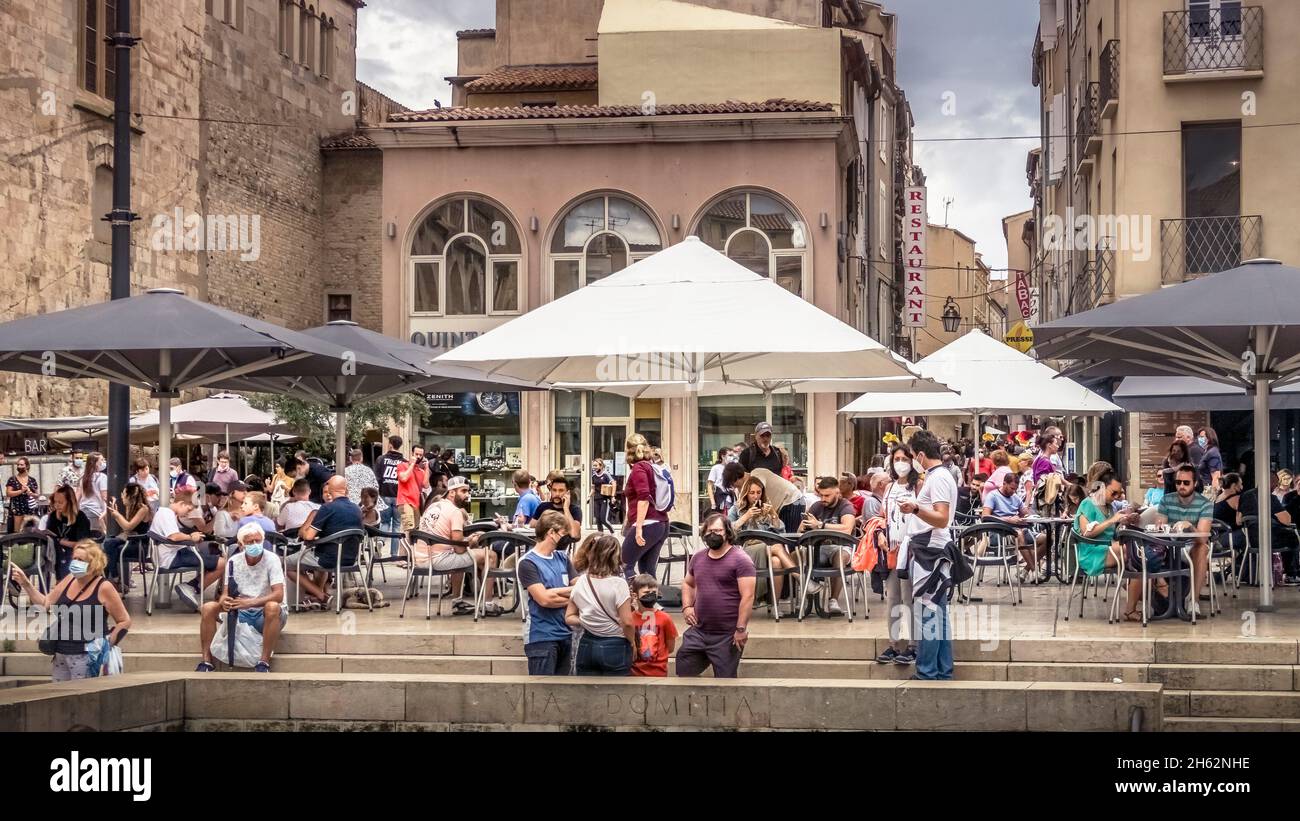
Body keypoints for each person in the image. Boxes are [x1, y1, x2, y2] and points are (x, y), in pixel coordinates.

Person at [10, 541, 129, 681]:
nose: (75, 563)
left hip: (85, 655)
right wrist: (26, 583)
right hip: (61, 652)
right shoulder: (70, 579)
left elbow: (124, 621)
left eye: (81, 560)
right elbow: (45, 603)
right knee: (58, 696)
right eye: (74, 558)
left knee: (81, 698)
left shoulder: (104, 587)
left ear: (93, 564)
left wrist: (105, 645)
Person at [898, 430, 959, 680]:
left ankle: (927, 670)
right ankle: (942, 669)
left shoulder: (939, 478)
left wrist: (914, 508)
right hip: (931, 551)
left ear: (921, 455)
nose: (911, 461)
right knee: (936, 613)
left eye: (912, 455)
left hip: (930, 553)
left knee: (928, 613)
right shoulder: (938, 476)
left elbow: (942, 518)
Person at [196, 522, 286, 673]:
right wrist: (224, 600)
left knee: (272, 606)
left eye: (258, 541)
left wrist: (250, 602)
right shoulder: (233, 561)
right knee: (208, 607)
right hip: (240, 610)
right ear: (241, 544)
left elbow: (278, 595)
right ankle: (207, 660)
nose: (255, 545)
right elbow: (226, 592)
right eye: (250, 542)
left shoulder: (272, 559)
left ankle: (264, 661)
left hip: (264, 613)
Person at [677, 513, 755, 679]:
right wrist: (687, 606)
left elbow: (748, 597)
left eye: (718, 530)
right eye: (709, 531)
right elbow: (688, 583)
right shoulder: (698, 558)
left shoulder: (741, 560)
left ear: (727, 532)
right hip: (699, 631)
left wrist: (741, 628)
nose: (713, 534)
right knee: (684, 670)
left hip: (726, 635)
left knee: (725, 681)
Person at [412, 475, 502, 615]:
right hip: (437, 560)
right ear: (452, 492)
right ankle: (488, 604)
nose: (467, 495)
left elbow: (453, 542)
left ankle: (457, 602)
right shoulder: (455, 512)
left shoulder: (434, 505)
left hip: (420, 558)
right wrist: (473, 541)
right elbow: (460, 549)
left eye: (468, 491)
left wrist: (466, 540)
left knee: (457, 556)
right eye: (463, 491)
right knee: (490, 556)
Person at [1074, 468, 1149, 622]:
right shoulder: (1088, 503)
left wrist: (1124, 522)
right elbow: (1086, 533)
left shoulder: (1110, 507)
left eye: (1118, 494)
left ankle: (1137, 594)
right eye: (1113, 493)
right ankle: (1140, 597)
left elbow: (1112, 533)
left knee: (1140, 555)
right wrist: (1113, 520)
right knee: (1138, 554)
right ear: (1102, 487)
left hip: (1108, 548)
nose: (1116, 497)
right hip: (1092, 551)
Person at [566, 533, 636, 676]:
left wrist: (589, 620)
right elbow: (627, 622)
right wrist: (633, 642)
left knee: (587, 693)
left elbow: (569, 617)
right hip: (616, 644)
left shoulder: (581, 581)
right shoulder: (619, 584)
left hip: (587, 643)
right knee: (616, 693)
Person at [519, 510, 576, 675]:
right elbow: (544, 599)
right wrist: (573, 596)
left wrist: (554, 592)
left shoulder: (562, 558)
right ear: (551, 532)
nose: (566, 538)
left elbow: (581, 588)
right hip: (541, 637)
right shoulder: (527, 562)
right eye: (563, 533)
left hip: (566, 634)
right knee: (541, 692)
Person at [728, 475, 797, 605]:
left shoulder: (765, 508)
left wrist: (773, 515)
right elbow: (728, 531)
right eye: (752, 493)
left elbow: (781, 530)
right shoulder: (736, 509)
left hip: (766, 548)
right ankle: (799, 577)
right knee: (777, 547)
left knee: (776, 561)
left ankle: (775, 605)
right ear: (745, 493)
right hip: (745, 550)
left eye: (759, 492)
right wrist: (746, 517)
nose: (756, 496)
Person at [878, 448, 919, 665]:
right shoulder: (889, 487)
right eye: (896, 459)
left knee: (908, 597)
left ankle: (913, 645)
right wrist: (880, 534)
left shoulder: (919, 486)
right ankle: (893, 643)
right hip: (892, 549)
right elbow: (883, 516)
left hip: (912, 549)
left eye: (904, 459)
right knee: (892, 597)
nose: (900, 463)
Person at [151, 491, 224, 611]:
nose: (188, 513)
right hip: (172, 557)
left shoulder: (164, 513)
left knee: (211, 559)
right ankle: (192, 587)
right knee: (222, 563)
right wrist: (191, 537)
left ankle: (192, 586)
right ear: (181, 503)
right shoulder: (167, 514)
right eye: (188, 509)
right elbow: (173, 536)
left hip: (170, 554)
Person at [1156, 464, 1213, 616]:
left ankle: (1193, 601)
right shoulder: (1166, 500)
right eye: (1178, 482)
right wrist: (1167, 527)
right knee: (1149, 550)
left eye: (1186, 483)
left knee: (1202, 549)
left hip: (1191, 547)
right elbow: (1159, 527)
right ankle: (1158, 597)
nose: (1181, 486)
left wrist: (1190, 527)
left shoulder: (1205, 504)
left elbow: (1202, 537)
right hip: (1168, 547)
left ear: (1195, 483)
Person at [798, 476, 856, 615]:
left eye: (827, 495)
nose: (823, 498)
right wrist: (807, 526)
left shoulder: (846, 506)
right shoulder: (817, 506)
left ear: (837, 492)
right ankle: (808, 590)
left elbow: (847, 528)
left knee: (839, 558)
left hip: (842, 547)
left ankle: (833, 600)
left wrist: (820, 525)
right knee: (796, 556)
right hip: (818, 548)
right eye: (821, 495)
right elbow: (799, 529)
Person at [981, 470, 1047, 583]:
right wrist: (1008, 519)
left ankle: (1025, 571)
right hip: (1000, 532)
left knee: (1047, 538)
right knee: (1019, 534)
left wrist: (1026, 516)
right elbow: (985, 516)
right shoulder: (993, 496)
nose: (1013, 491)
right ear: (1004, 483)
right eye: (1011, 488)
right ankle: (1035, 571)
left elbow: (1024, 513)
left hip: (1018, 528)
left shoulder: (1015, 497)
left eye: (1015, 489)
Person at [621, 433, 668, 580]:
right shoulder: (651, 466)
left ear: (628, 451)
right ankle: (650, 600)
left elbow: (644, 497)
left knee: (624, 565)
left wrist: (639, 527)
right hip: (661, 524)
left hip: (647, 524)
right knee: (647, 571)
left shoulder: (639, 468)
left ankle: (632, 599)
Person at [104, 483, 152, 590]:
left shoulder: (143, 509)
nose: (122, 496)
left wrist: (117, 515)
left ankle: (113, 580)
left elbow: (128, 527)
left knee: (109, 549)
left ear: (130, 496)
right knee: (106, 544)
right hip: (129, 540)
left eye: (124, 494)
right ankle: (111, 580)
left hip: (139, 545)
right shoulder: (130, 508)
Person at [629, 574, 678, 677]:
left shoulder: (665, 618)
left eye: (653, 593)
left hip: (658, 672)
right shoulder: (630, 619)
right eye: (646, 592)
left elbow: (671, 647)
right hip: (635, 673)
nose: (650, 595)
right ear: (635, 595)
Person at [44, 485, 91, 580]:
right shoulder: (53, 516)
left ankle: (66, 583)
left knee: (70, 554)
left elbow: (82, 543)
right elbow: (49, 535)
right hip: (56, 551)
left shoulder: (80, 517)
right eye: (55, 502)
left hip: (75, 552)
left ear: (70, 502)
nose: (56, 505)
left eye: (60, 502)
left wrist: (61, 542)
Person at [529, 473, 582, 549]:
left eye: (561, 490)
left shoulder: (574, 510)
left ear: (567, 493)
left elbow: (575, 534)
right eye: (554, 490)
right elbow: (532, 525)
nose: (557, 494)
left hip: (560, 551)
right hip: (538, 547)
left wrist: (566, 509)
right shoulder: (543, 506)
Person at [373, 435, 406, 556]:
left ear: (390, 444)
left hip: (384, 494)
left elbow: (377, 478)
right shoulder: (404, 462)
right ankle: (394, 554)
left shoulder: (381, 459)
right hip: (399, 496)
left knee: (385, 522)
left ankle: (381, 541)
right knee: (397, 525)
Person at [396, 444, 429, 536]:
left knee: (416, 532)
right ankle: (406, 549)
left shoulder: (420, 471)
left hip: (416, 503)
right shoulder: (402, 465)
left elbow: (425, 485)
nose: (418, 457)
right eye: (416, 454)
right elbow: (404, 478)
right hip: (405, 501)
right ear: (411, 453)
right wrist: (412, 464)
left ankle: (412, 549)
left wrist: (426, 468)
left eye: (420, 455)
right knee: (408, 530)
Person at [5, 455, 39, 533]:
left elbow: (37, 495)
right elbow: (8, 493)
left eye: (21, 465)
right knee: (17, 532)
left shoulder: (32, 480)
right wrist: (21, 491)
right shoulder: (12, 479)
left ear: (26, 466)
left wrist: (30, 493)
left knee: (29, 531)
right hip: (17, 509)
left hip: (30, 510)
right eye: (18, 465)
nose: (19, 466)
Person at [77, 452, 108, 533]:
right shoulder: (102, 477)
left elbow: (78, 496)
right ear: (95, 463)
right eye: (101, 460)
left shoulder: (83, 477)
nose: (103, 461)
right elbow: (104, 497)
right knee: (98, 540)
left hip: (83, 512)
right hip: (97, 512)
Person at [590, 459, 615, 533]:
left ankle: (613, 532)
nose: (594, 467)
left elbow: (614, 483)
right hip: (596, 499)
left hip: (605, 499)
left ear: (601, 466)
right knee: (598, 519)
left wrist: (613, 496)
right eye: (593, 466)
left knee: (603, 519)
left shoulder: (606, 474)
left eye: (596, 465)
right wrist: (589, 496)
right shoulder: (593, 476)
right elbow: (593, 489)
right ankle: (600, 535)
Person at [1196, 427, 1223, 495]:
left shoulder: (1212, 452)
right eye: (1199, 437)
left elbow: (1216, 477)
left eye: (1202, 437)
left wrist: (1213, 496)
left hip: (1209, 490)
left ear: (1209, 437)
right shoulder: (1207, 452)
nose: (1200, 439)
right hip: (1205, 489)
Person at [707, 448, 731, 513]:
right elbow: (709, 485)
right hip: (720, 499)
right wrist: (713, 502)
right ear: (723, 456)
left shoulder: (732, 468)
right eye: (729, 455)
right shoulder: (716, 468)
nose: (731, 458)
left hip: (731, 499)